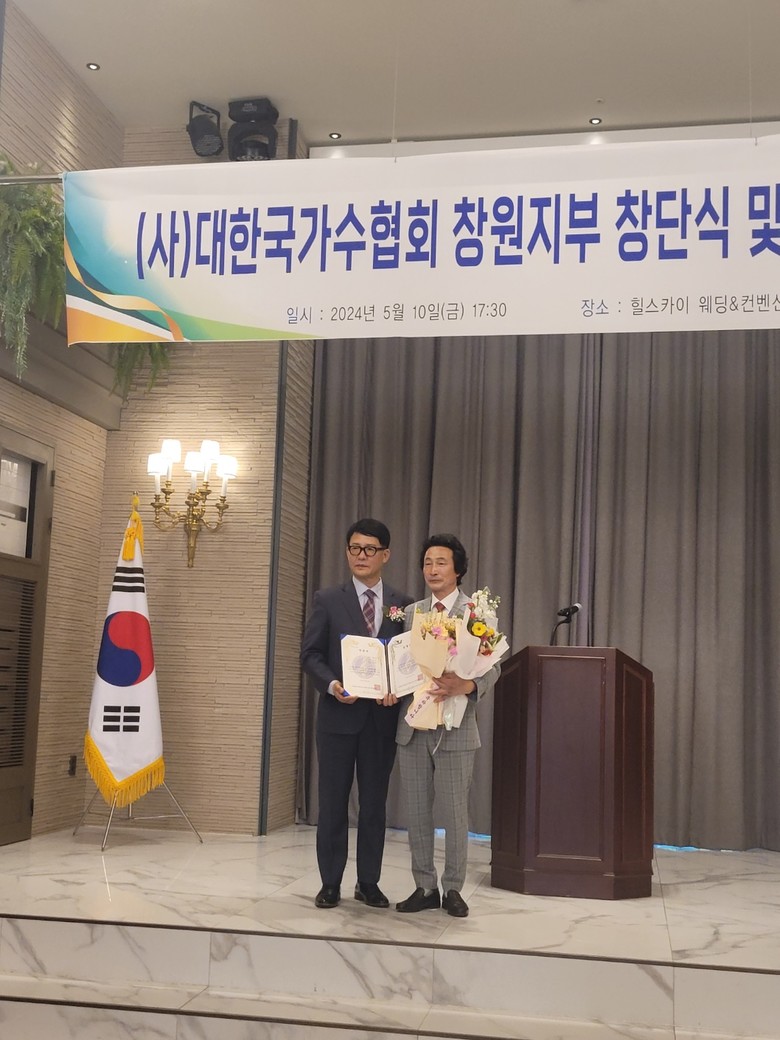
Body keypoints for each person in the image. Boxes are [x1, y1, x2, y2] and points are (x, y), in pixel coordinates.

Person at [301, 518, 413, 910]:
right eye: (354, 548)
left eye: (369, 549)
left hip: (381, 721)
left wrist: (399, 689)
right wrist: (333, 684)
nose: (361, 556)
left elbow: (408, 660)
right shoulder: (328, 599)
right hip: (337, 718)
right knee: (332, 803)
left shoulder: (403, 605)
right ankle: (330, 882)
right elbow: (310, 655)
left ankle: (368, 882)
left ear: (386, 554)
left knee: (374, 806)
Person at [394, 534, 500, 918]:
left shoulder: (476, 611)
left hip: (456, 726)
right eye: (427, 562)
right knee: (417, 812)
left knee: (455, 813)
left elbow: (493, 666)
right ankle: (424, 886)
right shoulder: (412, 613)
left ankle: (453, 888)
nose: (433, 569)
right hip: (414, 725)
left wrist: (466, 686)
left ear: (457, 568)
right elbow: (400, 663)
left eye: (441, 562)